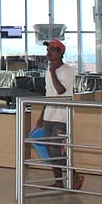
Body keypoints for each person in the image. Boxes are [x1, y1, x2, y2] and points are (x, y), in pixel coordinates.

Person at [34, 39, 83, 190]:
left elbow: (60, 91)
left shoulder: (68, 70)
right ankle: (59, 181)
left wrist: (52, 72)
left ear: (60, 52)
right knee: (50, 150)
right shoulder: (49, 71)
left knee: (57, 150)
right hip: (50, 115)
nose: (48, 53)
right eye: (47, 50)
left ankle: (74, 175)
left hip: (62, 116)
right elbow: (49, 94)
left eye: (51, 50)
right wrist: (42, 115)